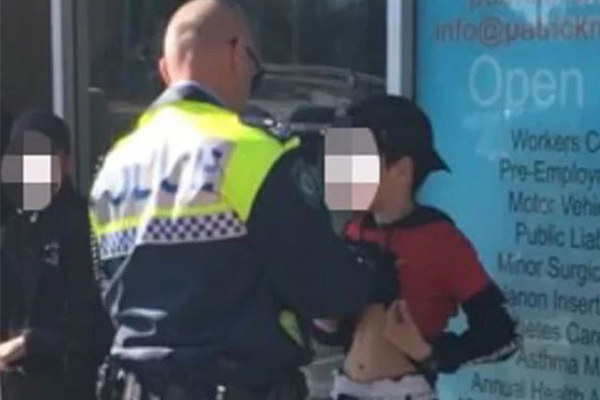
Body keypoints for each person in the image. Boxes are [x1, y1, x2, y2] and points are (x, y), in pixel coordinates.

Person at [89, 1, 397, 399]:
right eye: (255, 65)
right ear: (237, 53)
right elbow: (323, 287)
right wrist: (374, 269)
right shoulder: (248, 151)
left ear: (166, 70)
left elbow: (109, 291)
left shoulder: (114, 165)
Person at [313, 95, 520, 400]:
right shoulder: (354, 230)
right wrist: (326, 317)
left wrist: (429, 352)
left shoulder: (439, 239)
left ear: (402, 170)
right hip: (346, 387)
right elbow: (339, 331)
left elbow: (502, 332)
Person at [0, 111, 113, 400]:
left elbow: (94, 323)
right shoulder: (15, 228)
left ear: (64, 161)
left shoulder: (87, 224)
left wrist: (31, 343)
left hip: (70, 383)